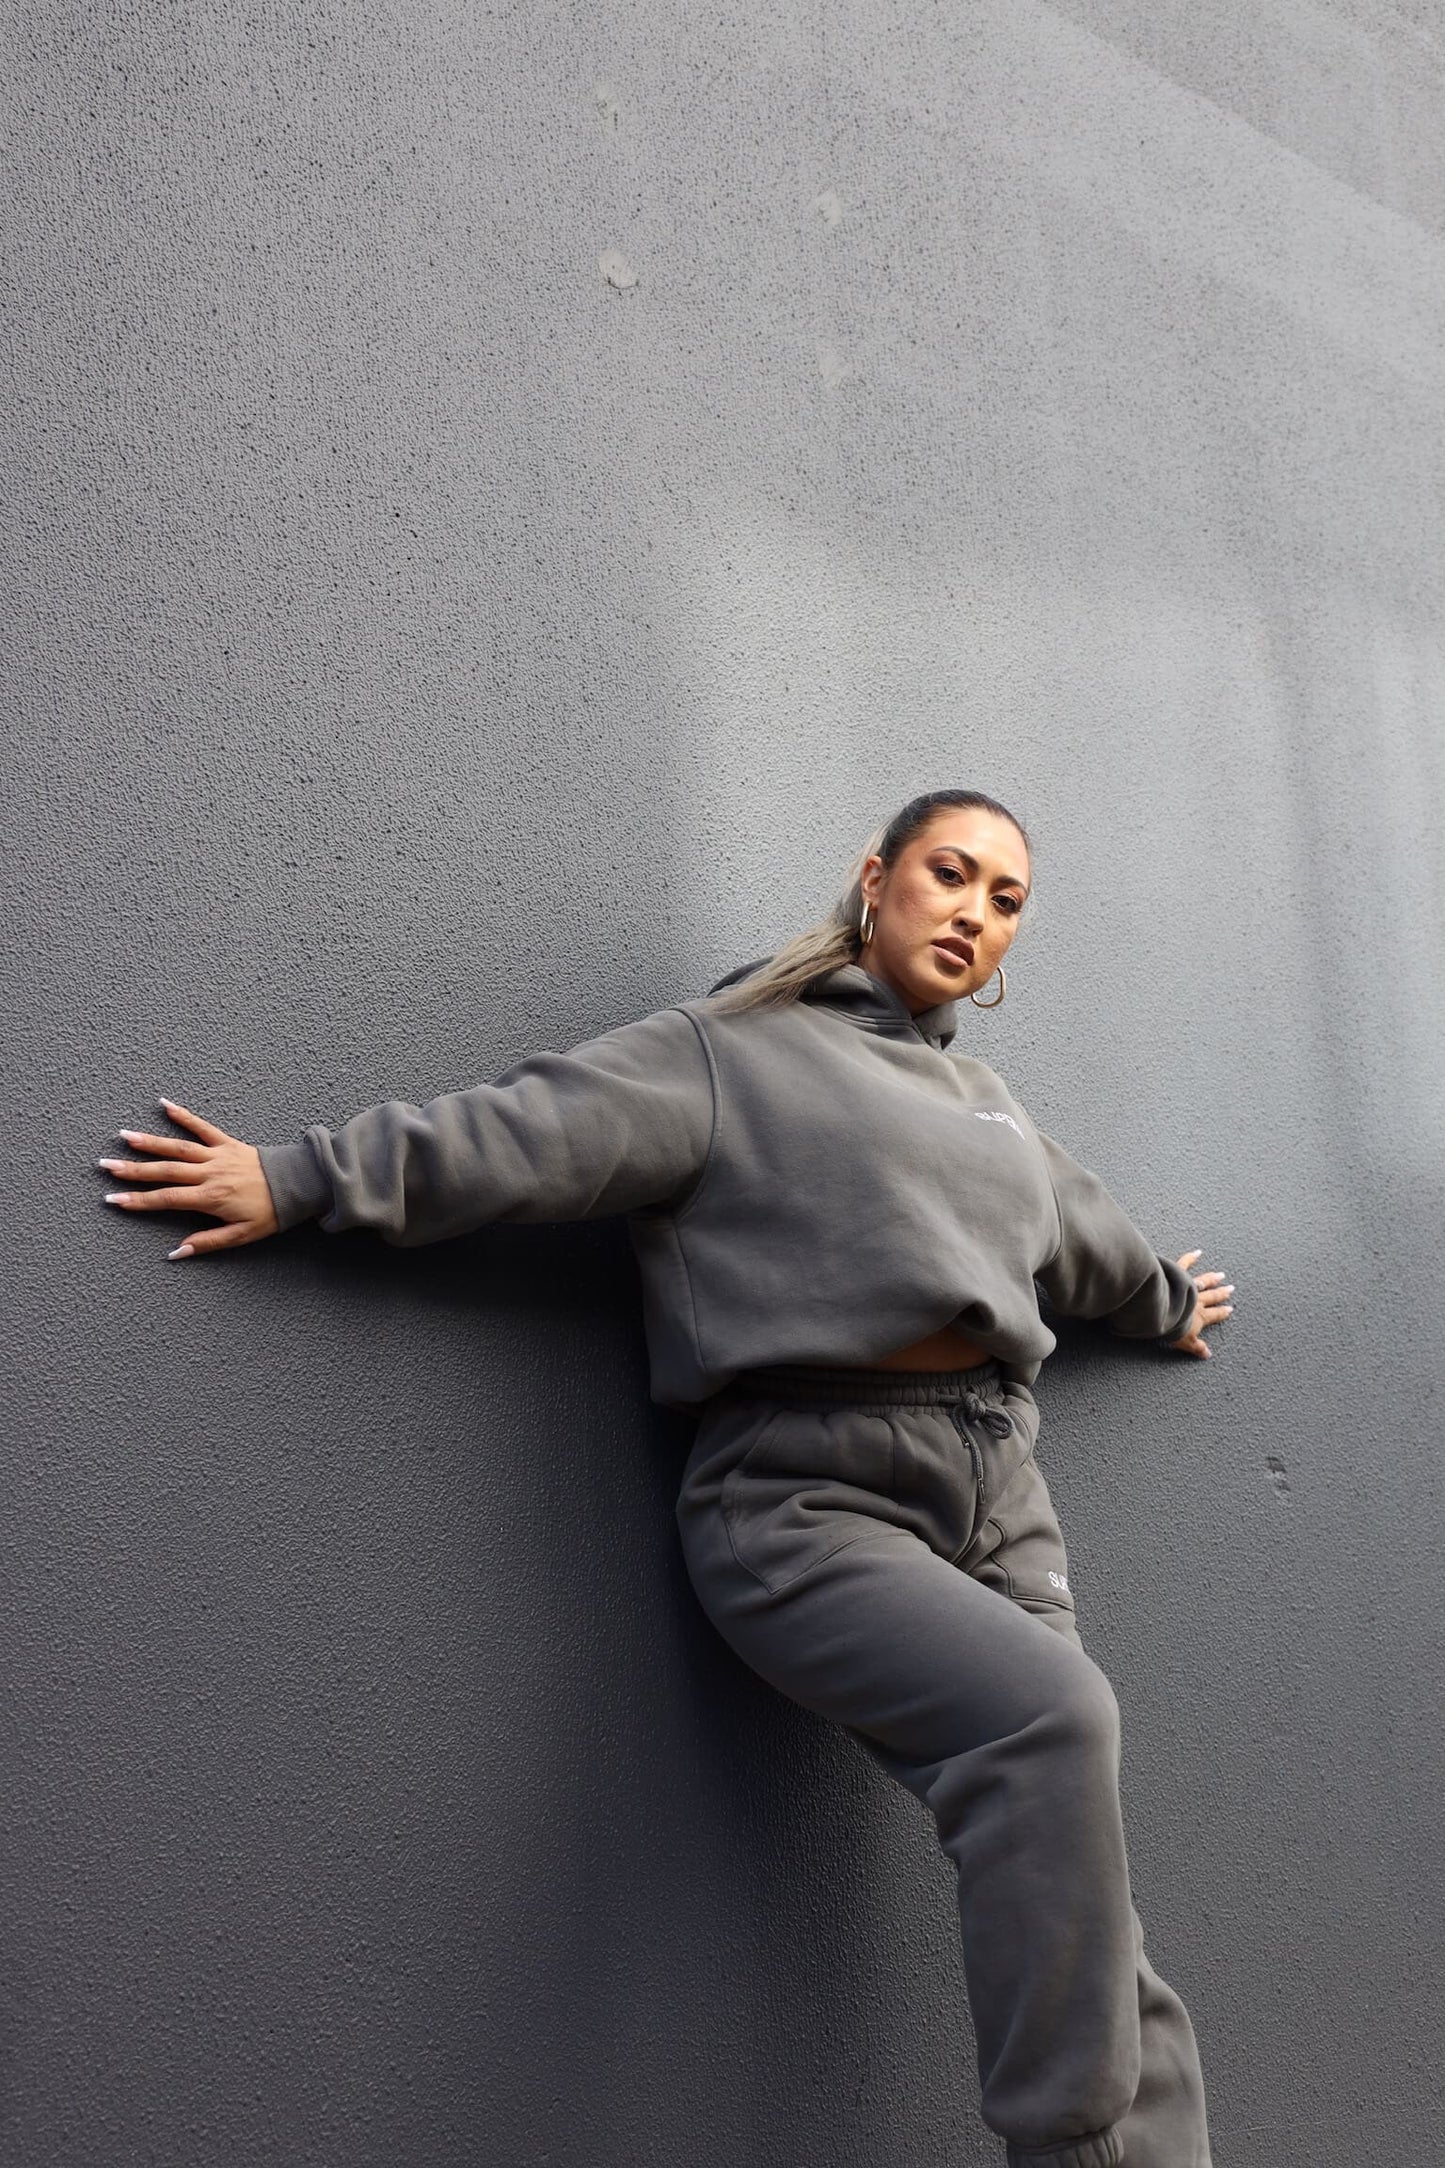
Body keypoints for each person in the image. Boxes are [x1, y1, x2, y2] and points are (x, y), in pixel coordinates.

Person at [98, 788, 1230, 2168]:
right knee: (1053, 1722)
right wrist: (300, 1180)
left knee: (1085, 1904)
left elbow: (1091, 1247)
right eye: (952, 874)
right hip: (807, 1505)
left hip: (996, 1488)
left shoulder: (990, 1111)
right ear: (875, 880)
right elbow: (522, 1133)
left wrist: (1167, 1302)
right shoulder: (731, 1054)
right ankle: (1062, 2150)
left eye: (1004, 902)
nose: (974, 914)